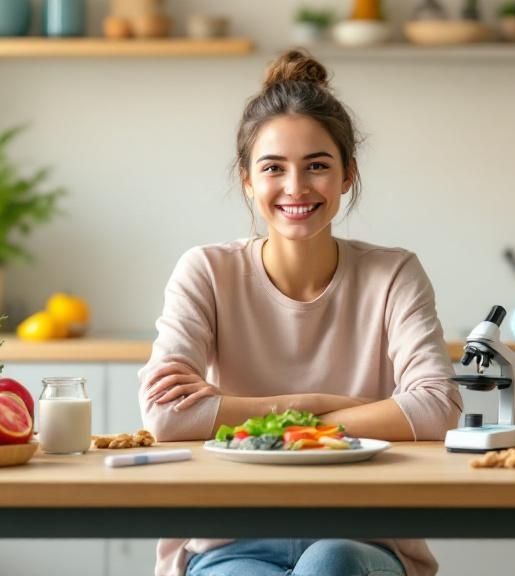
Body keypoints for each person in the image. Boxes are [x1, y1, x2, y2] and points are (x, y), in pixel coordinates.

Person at [138, 49, 462, 576]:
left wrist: (237, 410)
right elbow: (167, 415)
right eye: (273, 168)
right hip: (230, 540)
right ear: (246, 178)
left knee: (331, 561)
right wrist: (326, 409)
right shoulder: (206, 271)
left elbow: (436, 409)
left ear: (348, 175)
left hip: (362, 536)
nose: (296, 188)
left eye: (317, 166)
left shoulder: (393, 274)